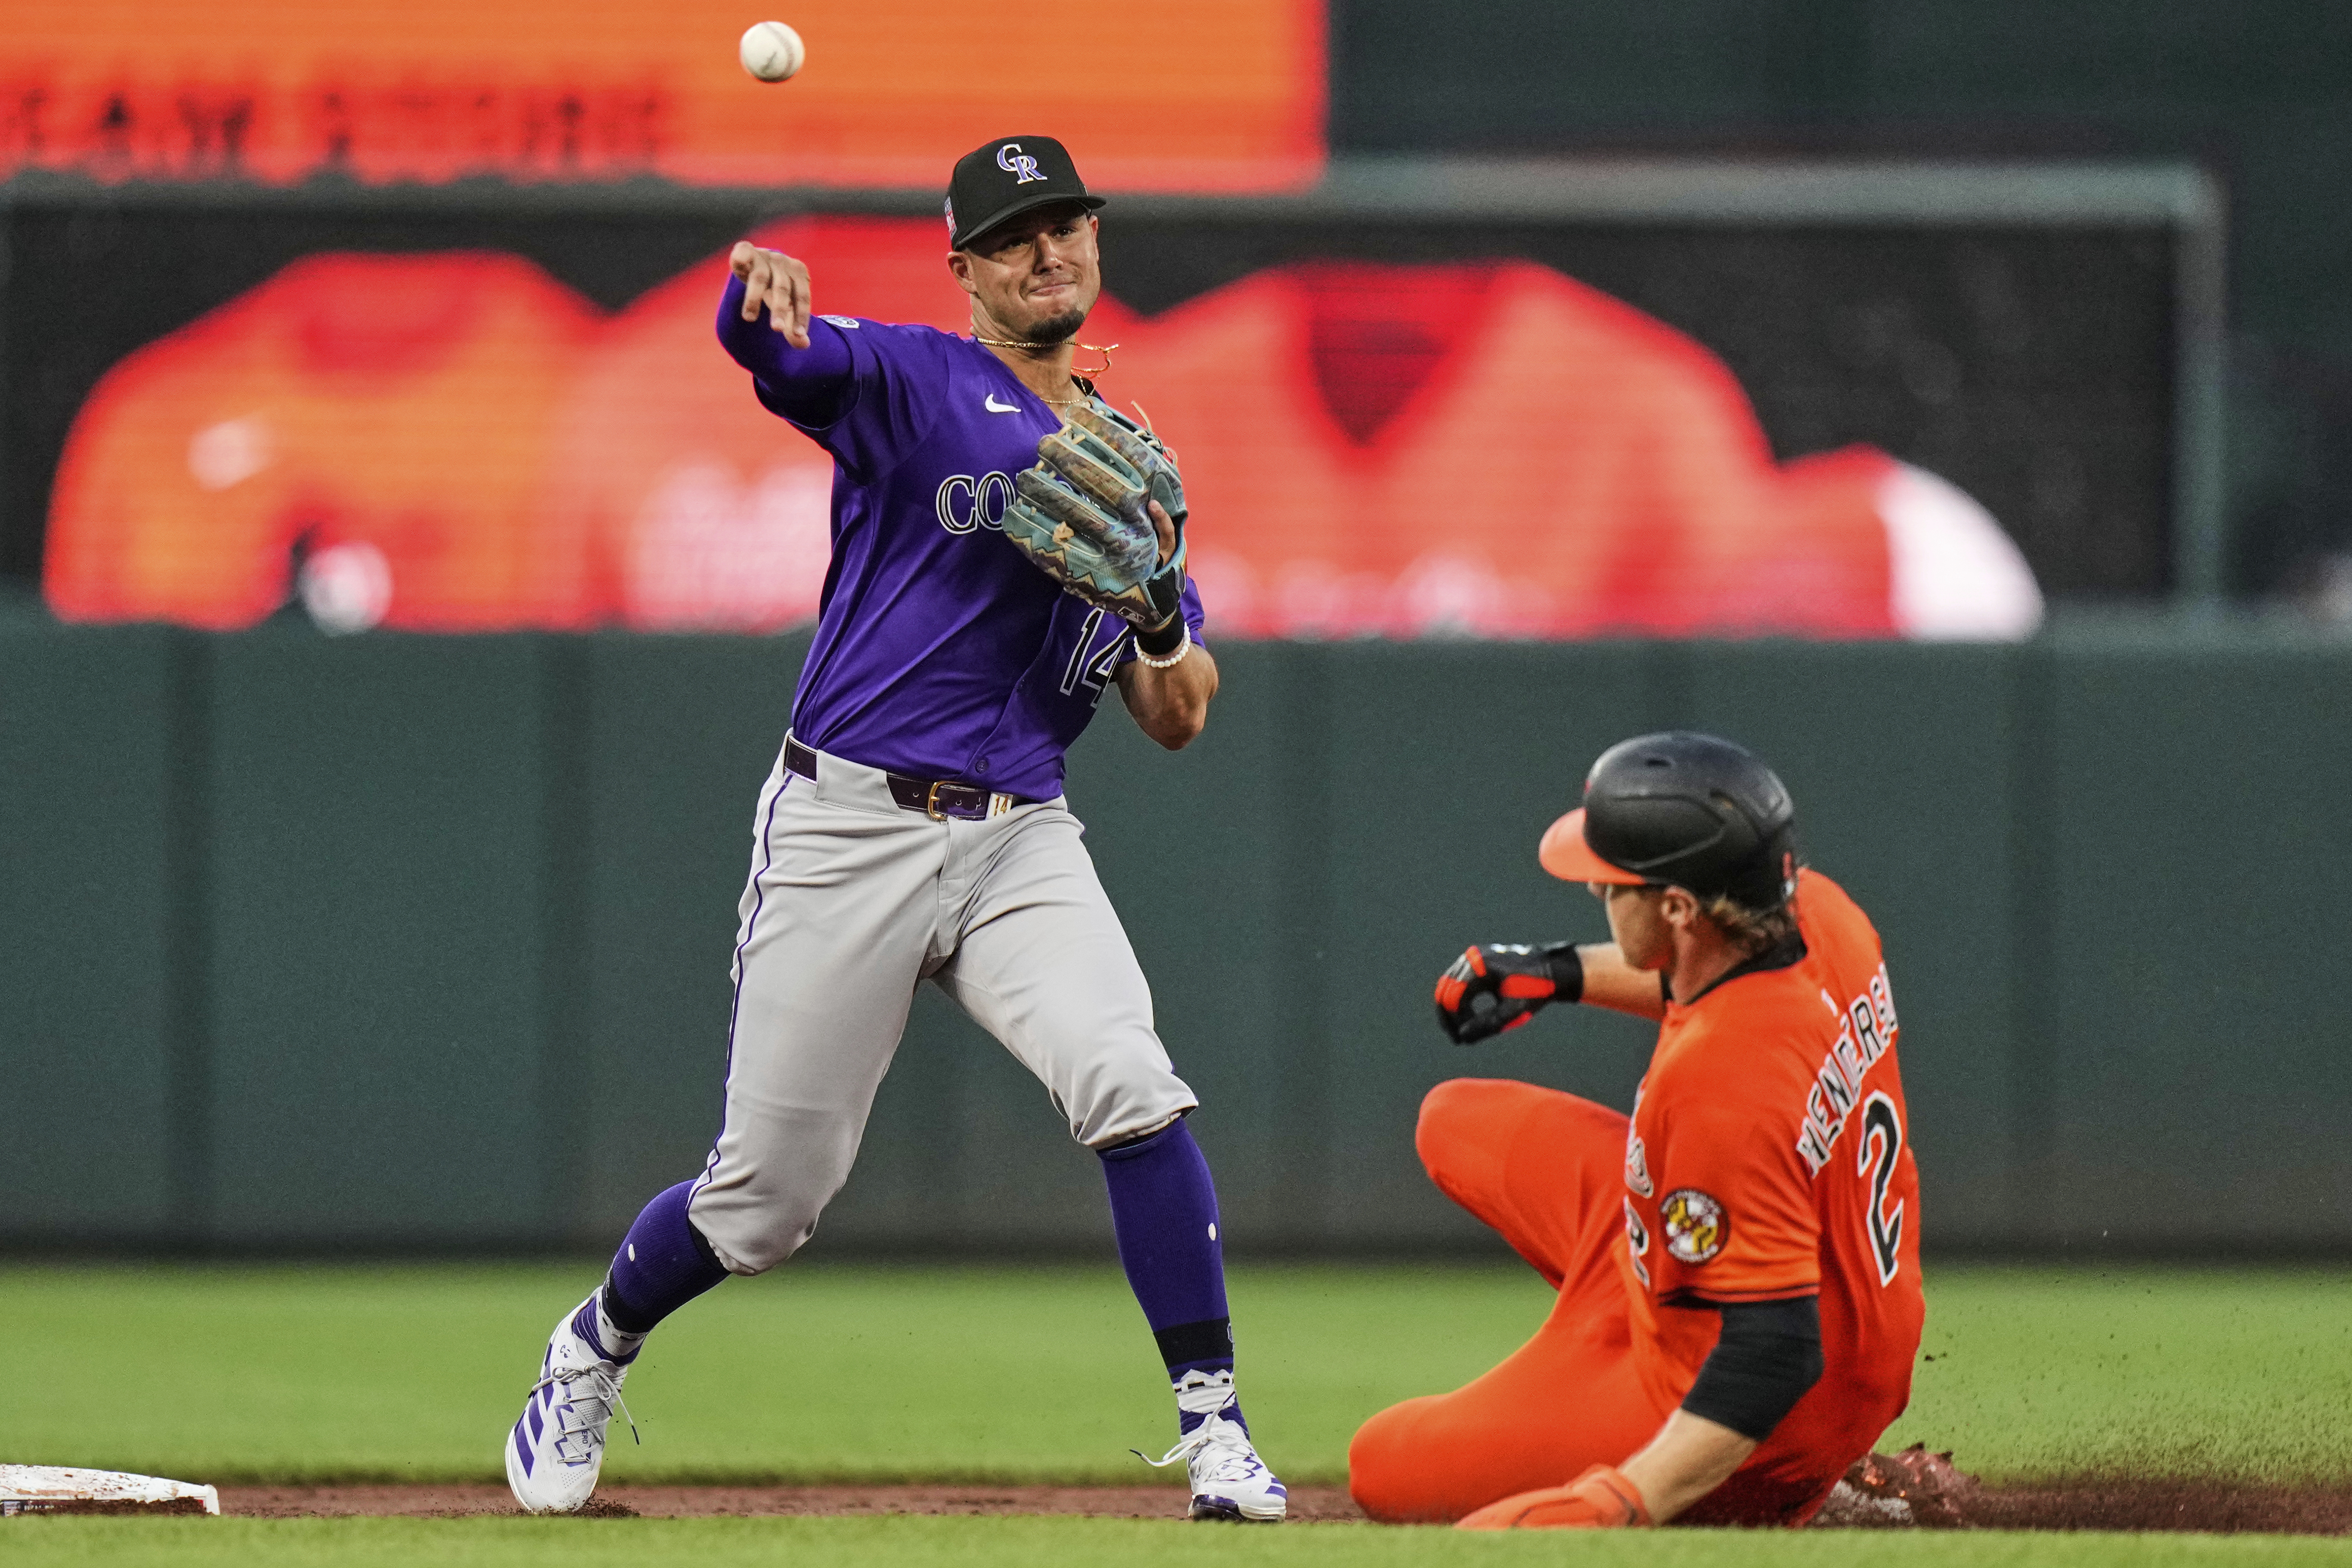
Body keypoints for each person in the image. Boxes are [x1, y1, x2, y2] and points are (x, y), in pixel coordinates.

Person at [502, 134, 1285, 1524]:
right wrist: (756, 295)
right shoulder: (914, 380)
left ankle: (1216, 1426)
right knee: (766, 1202)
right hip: (848, 820)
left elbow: (1181, 714)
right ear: (968, 270)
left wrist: (1161, 600)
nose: (1049, 250)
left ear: (1098, 243)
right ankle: (591, 1348)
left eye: (1068, 225)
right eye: (1015, 234)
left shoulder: (1134, 467)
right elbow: (782, 354)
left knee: (1130, 1078)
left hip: (1020, 834)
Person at [1351, 732, 1923, 1528]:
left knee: (1382, 1461)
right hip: (1840, 1309)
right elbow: (1702, 977)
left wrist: (1618, 1501)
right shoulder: (1821, 914)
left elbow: (1771, 1356)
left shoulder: (1720, 1082)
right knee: (1452, 1121)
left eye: (1613, 883)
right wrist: (1560, 970)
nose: (1596, 893)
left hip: (1758, 1400)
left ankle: (1794, 1489)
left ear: (1680, 907)